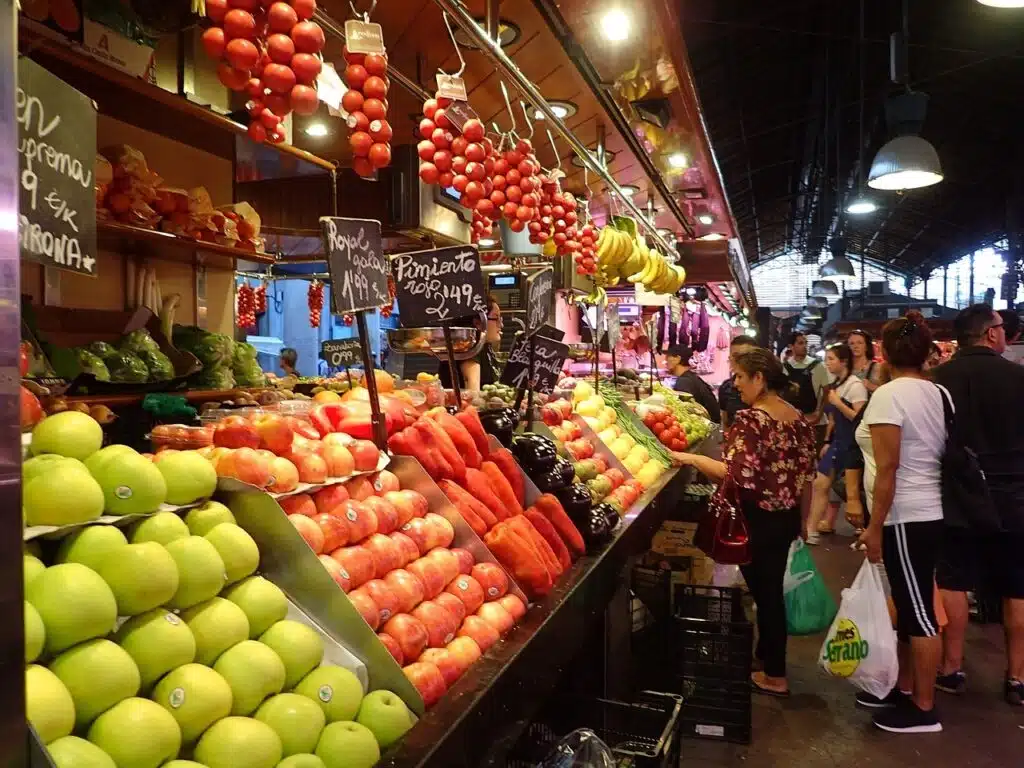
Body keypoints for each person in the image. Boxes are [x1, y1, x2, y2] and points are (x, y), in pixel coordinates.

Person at [672, 348, 817, 697]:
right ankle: (764, 657)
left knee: (767, 596)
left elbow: (731, 474)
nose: (735, 384)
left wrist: (688, 457)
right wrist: (804, 520)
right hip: (784, 518)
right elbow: (808, 476)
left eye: (740, 376)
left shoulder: (752, 420)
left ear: (759, 378)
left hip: (756, 519)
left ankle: (775, 675)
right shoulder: (796, 417)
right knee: (769, 590)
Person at [856, 311, 947, 733]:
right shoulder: (938, 393)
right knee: (912, 608)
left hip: (905, 516)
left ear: (883, 351)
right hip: (927, 510)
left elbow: (889, 467)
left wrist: (875, 525)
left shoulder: (889, 396)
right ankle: (907, 688)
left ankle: (924, 707)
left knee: (919, 612)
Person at [932, 304, 1024, 705]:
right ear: (990, 334)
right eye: (1003, 329)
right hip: (1015, 497)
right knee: (1018, 588)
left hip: (958, 497)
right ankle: (1017, 677)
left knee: (954, 581)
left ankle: (952, 668)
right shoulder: (1019, 378)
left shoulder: (939, 381)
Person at [806, 343, 868, 544]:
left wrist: (839, 403)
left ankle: (866, 530)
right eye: (827, 359)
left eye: (831, 359)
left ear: (844, 362)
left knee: (853, 492)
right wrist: (827, 440)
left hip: (852, 445)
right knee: (821, 484)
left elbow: (859, 418)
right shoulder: (835, 385)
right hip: (837, 443)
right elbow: (832, 419)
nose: (828, 364)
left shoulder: (855, 386)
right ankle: (811, 530)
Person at [438, 295, 502, 392]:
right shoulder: (470, 348)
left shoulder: (484, 345)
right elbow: (472, 389)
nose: (501, 324)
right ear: (478, 323)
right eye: (496, 318)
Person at [666, 343, 721, 422]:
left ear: (677, 359)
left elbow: (684, 415)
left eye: (668, 357)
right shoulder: (692, 378)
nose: (666, 362)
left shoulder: (684, 382)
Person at [783, 332, 830, 423]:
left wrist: (818, 415)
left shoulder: (818, 366)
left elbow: (826, 392)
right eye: (800, 343)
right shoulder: (784, 367)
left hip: (814, 420)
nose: (805, 346)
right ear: (791, 346)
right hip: (791, 420)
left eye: (806, 343)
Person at [717, 335, 757, 429]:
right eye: (736, 356)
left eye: (745, 356)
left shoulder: (767, 387)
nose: (740, 361)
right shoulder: (726, 387)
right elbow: (726, 422)